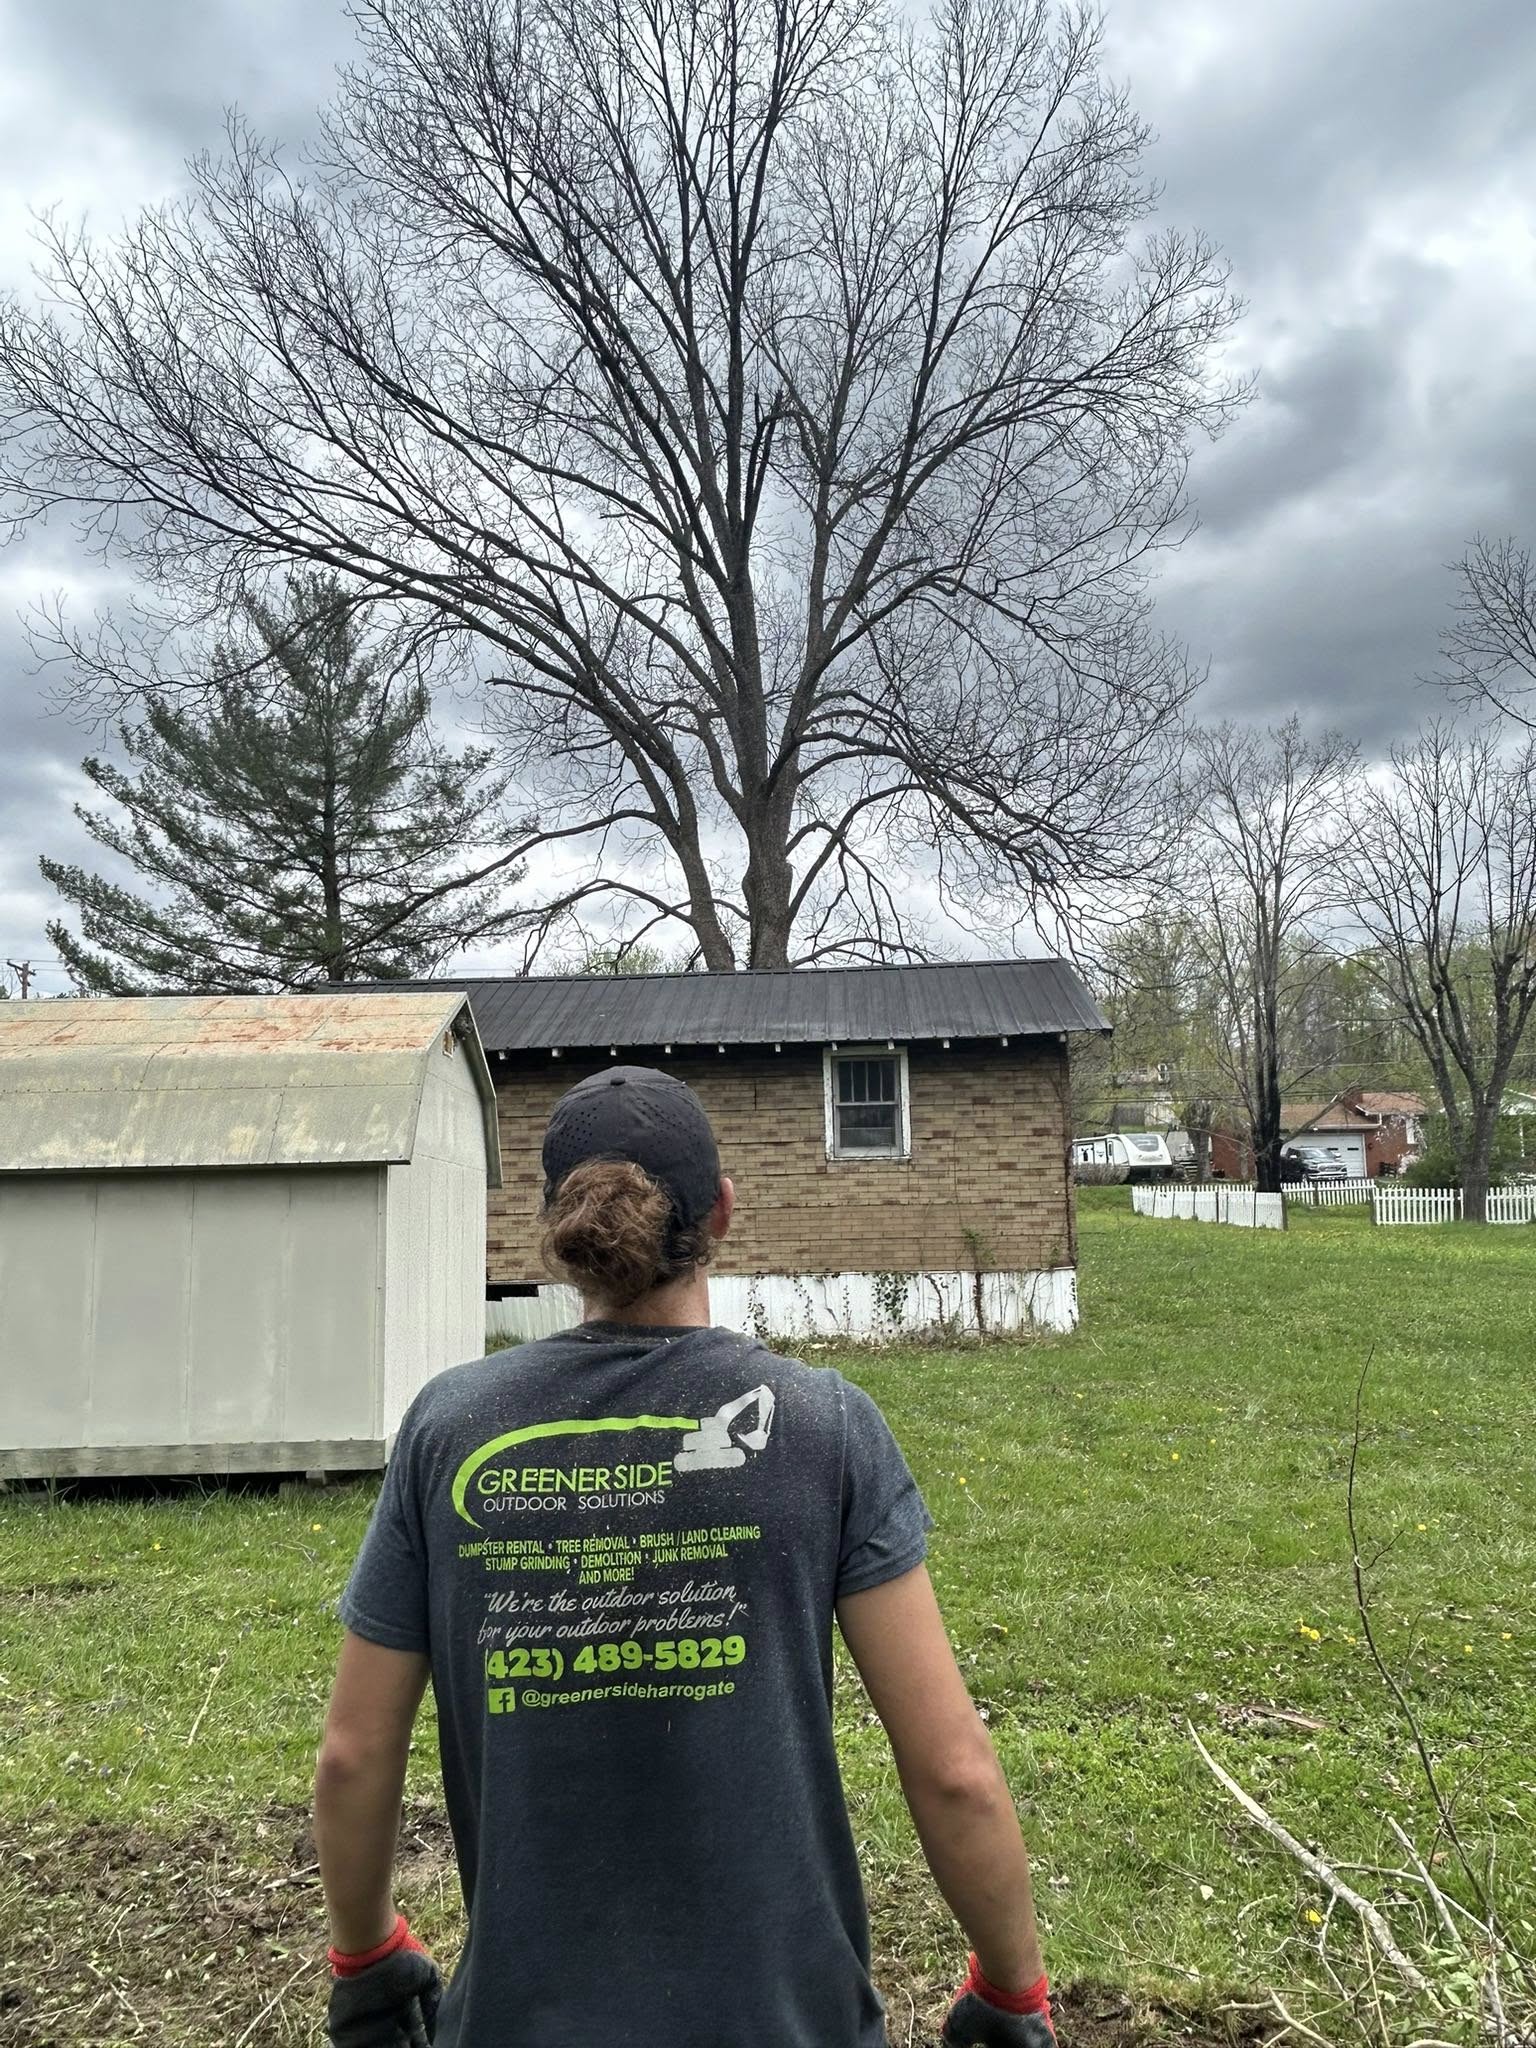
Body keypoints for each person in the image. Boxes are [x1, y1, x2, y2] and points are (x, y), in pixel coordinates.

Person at [315, 1065, 1053, 2048]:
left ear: (556, 1226)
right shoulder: (824, 1427)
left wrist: (366, 1959)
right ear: (723, 1215)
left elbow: (354, 1754)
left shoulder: (449, 1429)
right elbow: (954, 1769)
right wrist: (1011, 1992)